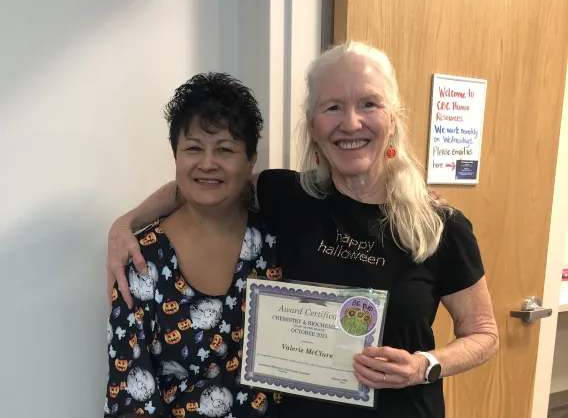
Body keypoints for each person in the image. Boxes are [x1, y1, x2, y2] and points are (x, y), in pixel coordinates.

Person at [106, 41, 499, 418]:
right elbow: (208, 183)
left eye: (368, 103)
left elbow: (483, 334)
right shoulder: (287, 196)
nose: (351, 122)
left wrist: (425, 365)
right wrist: (127, 223)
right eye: (333, 107)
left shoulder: (438, 224)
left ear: (392, 118)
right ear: (314, 126)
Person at [104, 72, 282, 417]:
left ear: (251, 160)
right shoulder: (141, 260)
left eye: (225, 149)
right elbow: (130, 392)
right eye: (193, 148)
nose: (207, 163)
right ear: (176, 156)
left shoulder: (278, 241)